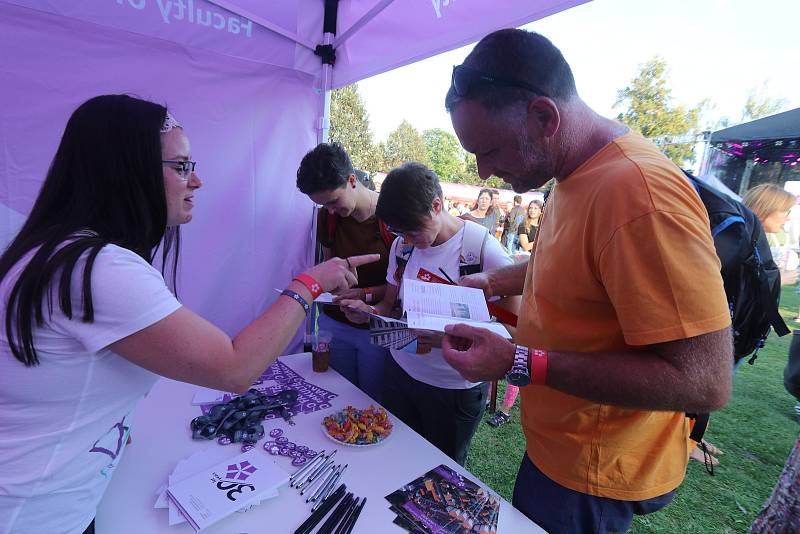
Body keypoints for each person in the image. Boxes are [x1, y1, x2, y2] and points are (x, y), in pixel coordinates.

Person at [0, 95, 377, 534]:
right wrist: (311, 283)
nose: (196, 180)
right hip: (34, 514)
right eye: (180, 166)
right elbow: (236, 367)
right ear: (127, 171)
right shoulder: (99, 268)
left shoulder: (61, 250)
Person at [441, 29, 732, 534]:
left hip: (594, 475)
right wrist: (492, 281)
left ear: (544, 117)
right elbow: (576, 265)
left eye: (488, 149)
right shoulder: (576, 172)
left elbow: (705, 381)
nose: (482, 170)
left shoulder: (639, 194)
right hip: (562, 451)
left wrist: (518, 362)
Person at [338, 162, 517, 466]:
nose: (406, 241)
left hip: (452, 390)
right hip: (400, 375)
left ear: (437, 205)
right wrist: (367, 312)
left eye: (412, 231)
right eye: (399, 232)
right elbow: (390, 306)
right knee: (394, 460)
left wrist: (445, 337)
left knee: (439, 474)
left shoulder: (483, 251)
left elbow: (513, 332)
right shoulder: (402, 247)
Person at [296, 143, 392, 402]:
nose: (330, 210)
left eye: (333, 201)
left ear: (352, 180)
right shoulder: (328, 218)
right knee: (333, 397)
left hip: (376, 328)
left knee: (372, 404)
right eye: (322, 205)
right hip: (334, 324)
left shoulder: (392, 217)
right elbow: (330, 269)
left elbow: (403, 287)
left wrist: (365, 294)